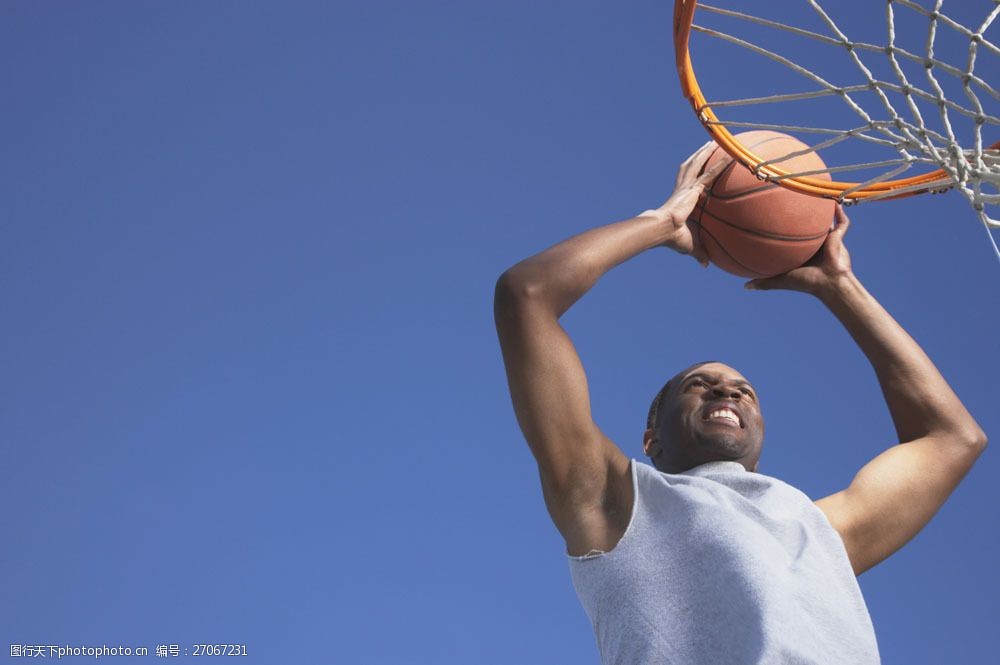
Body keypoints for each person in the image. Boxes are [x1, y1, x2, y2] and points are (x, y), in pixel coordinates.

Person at [492, 141, 988, 664]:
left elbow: (955, 439)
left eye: (744, 390)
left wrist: (840, 286)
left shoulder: (815, 530)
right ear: (651, 438)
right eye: (699, 384)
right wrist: (661, 222)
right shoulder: (614, 500)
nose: (727, 390)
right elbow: (527, 295)